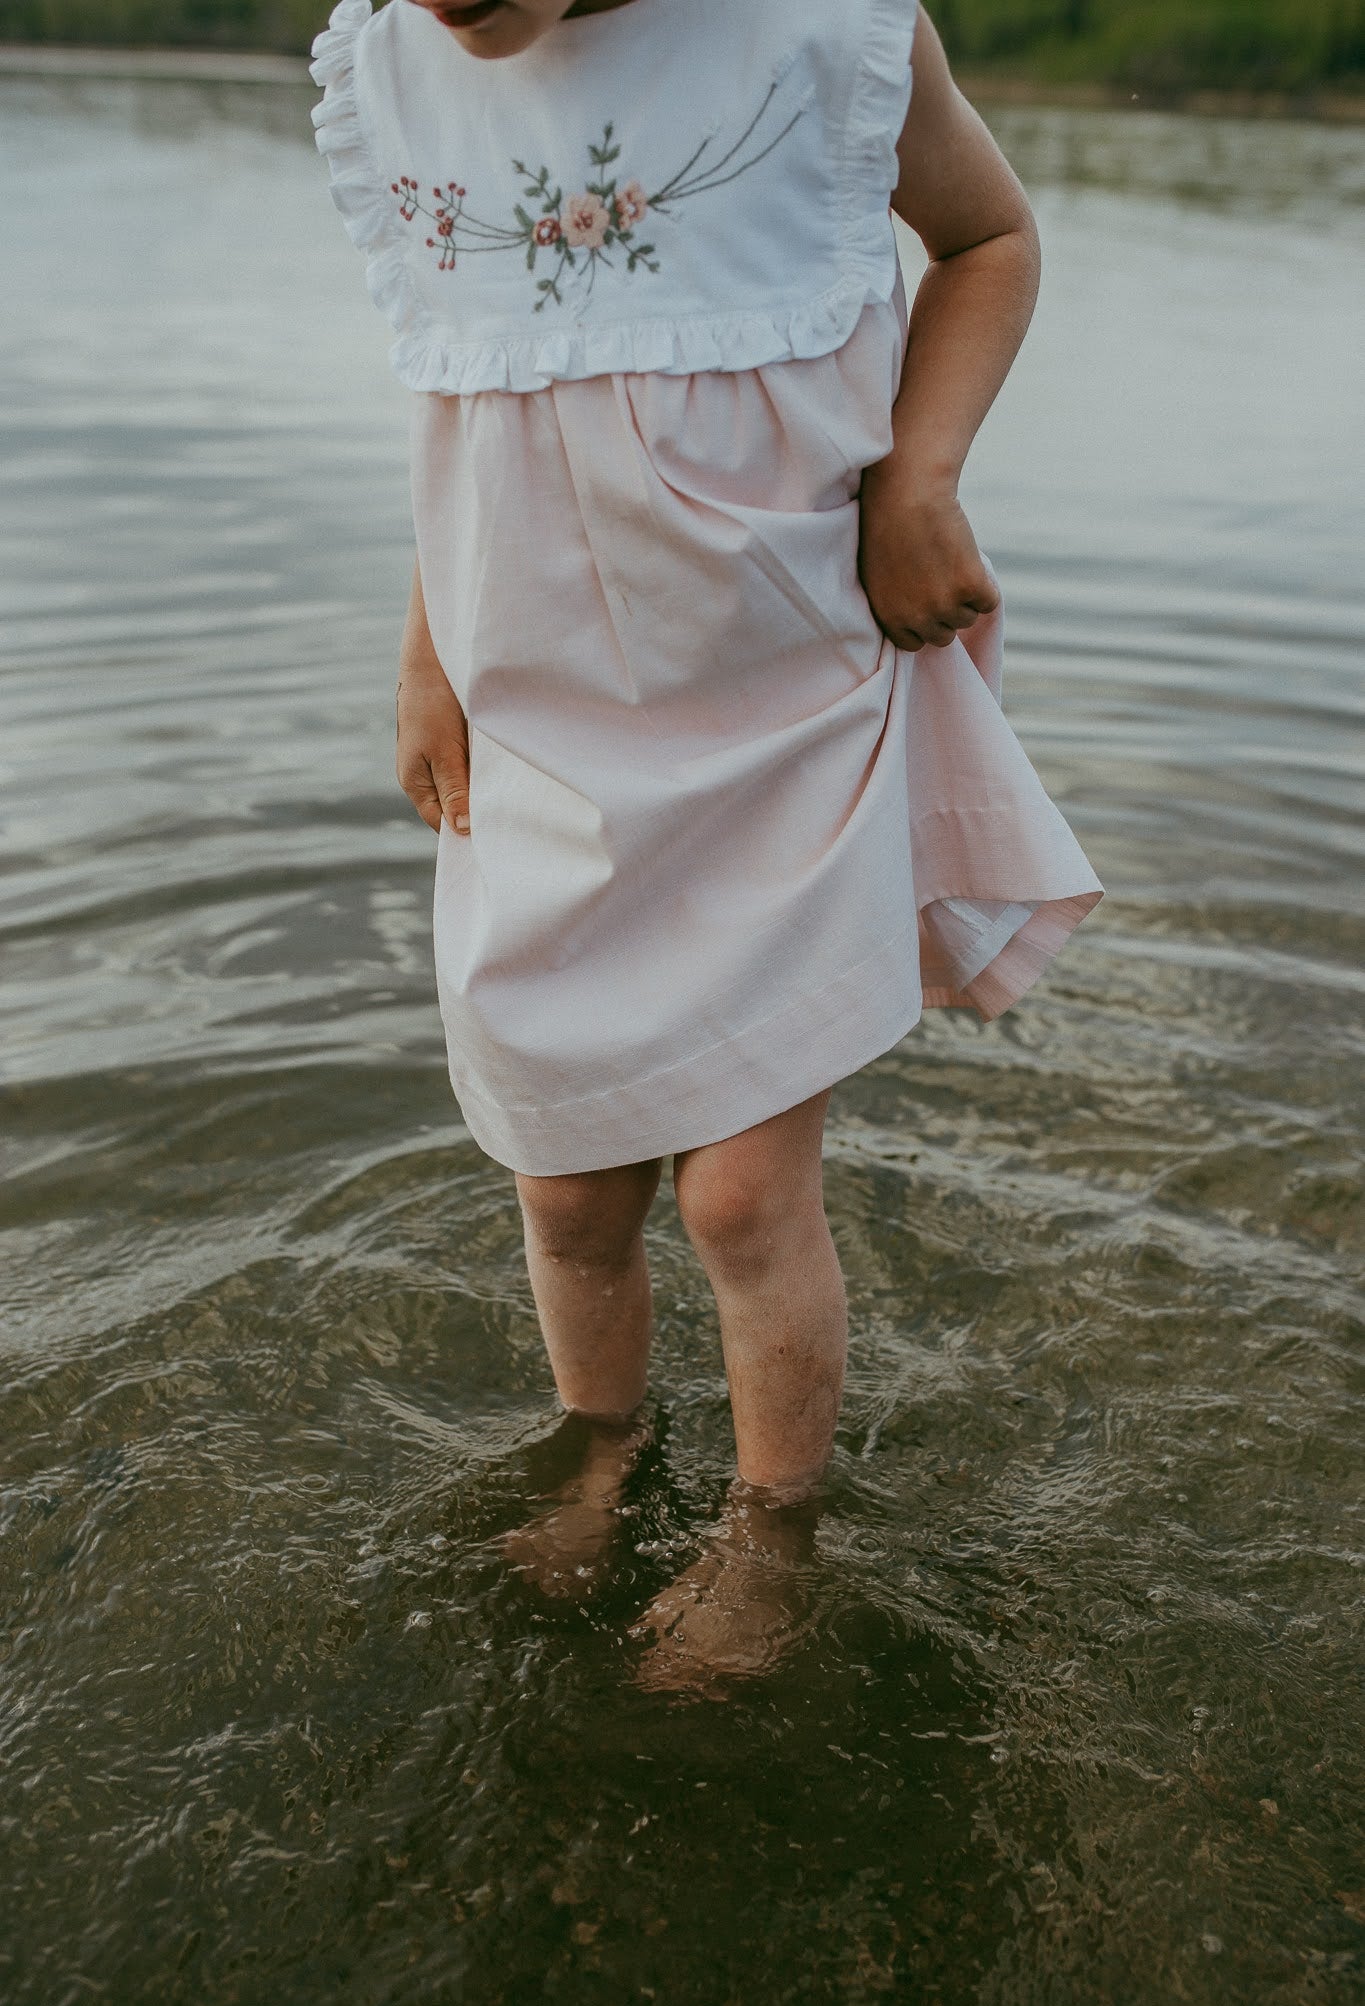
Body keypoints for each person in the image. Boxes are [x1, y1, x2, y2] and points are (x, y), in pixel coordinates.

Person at [311, 0, 1102, 1677]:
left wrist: (918, 477)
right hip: (537, 712)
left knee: (745, 1195)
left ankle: (769, 1535)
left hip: (777, 698)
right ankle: (601, 1455)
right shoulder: (394, 68)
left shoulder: (822, 35)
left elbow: (990, 238)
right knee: (568, 1177)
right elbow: (471, 383)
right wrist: (423, 654)